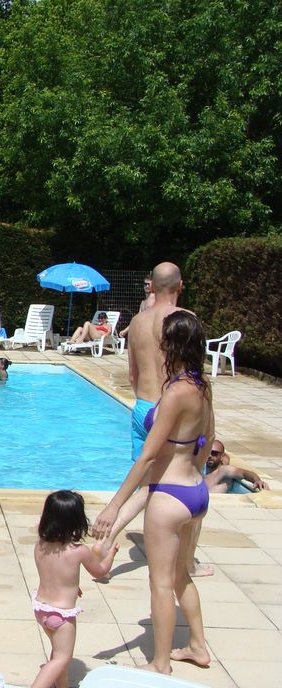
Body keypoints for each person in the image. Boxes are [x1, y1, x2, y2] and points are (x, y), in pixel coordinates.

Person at [93, 310, 214, 674]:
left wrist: (113, 508)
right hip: (195, 492)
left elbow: (147, 457)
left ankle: (160, 664)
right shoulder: (202, 384)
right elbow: (208, 439)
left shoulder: (176, 392)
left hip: (169, 496)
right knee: (181, 577)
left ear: (171, 345)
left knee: (160, 584)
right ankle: (198, 646)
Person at [95, 263, 190, 554]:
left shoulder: (137, 322)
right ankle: (110, 533)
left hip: (141, 408)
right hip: (166, 409)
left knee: (149, 481)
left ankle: (144, 540)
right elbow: (190, 377)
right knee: (170, 481)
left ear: (153, 285)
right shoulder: (184, 321)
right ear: (180, 286)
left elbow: (133, 375)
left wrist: (145, 404)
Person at [31, 490, 118, 688]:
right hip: (61, 615)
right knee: (61, 659)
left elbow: (55, 575)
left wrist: (73, 586)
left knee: (57, 652)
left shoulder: (41, 545)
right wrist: (111, 554)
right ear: (77, 521)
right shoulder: (79, 551)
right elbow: (100, 571)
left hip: (41, 609)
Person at [205, 439, 269, 493]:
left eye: (214, 453)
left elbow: (244, 473)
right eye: (208, 452)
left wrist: (257, 480)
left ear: (222, 456)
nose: (210, 456)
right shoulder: (205, 468)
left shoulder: (224, 471)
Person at [120, 273, 155, 339]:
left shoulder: (155, 299)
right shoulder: (143, 302)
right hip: (143, 333)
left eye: (149, 284)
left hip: (151, 334)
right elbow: (137, 319)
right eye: (145, 284)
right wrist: (126, 331)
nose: (147, 286)